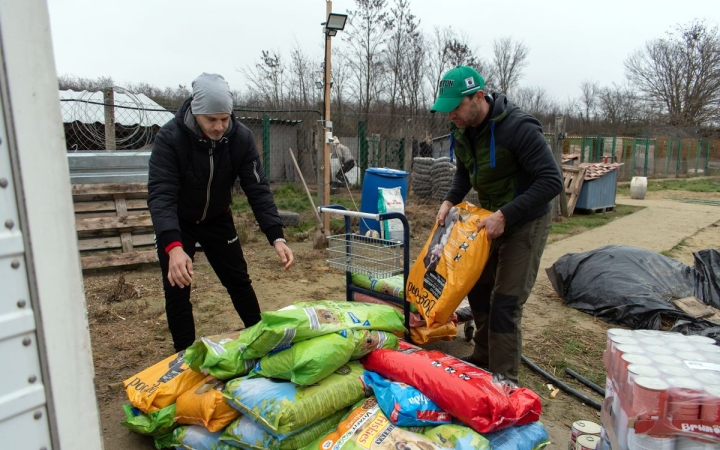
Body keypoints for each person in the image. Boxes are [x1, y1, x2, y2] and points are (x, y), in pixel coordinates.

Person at [430, 66, 562, 383]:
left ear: (478, 97)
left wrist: (506, 214)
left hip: (525, 220)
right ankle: (484, 356)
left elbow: (551, 180)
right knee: (478, 288)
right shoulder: (462, 130)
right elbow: (465, 172)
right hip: (490, 219)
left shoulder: (518, 128)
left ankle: (504, 379)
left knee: (505, 302)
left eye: (455, 108)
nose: (450, 116)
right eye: (445, 109)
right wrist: (449, 199)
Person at [148, 73, 294, 352]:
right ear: (195, 112)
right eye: (211, 120)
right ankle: (183, 357)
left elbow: (258, 189)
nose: (219, 127)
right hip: (179, 222)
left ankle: (260, 340)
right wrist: (173, 247)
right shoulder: (171, 137)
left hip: (217, 218)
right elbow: (161, 193)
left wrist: (277, 237)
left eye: (224, 119)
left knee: (238, 280)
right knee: (177, 288)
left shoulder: (240, 138)